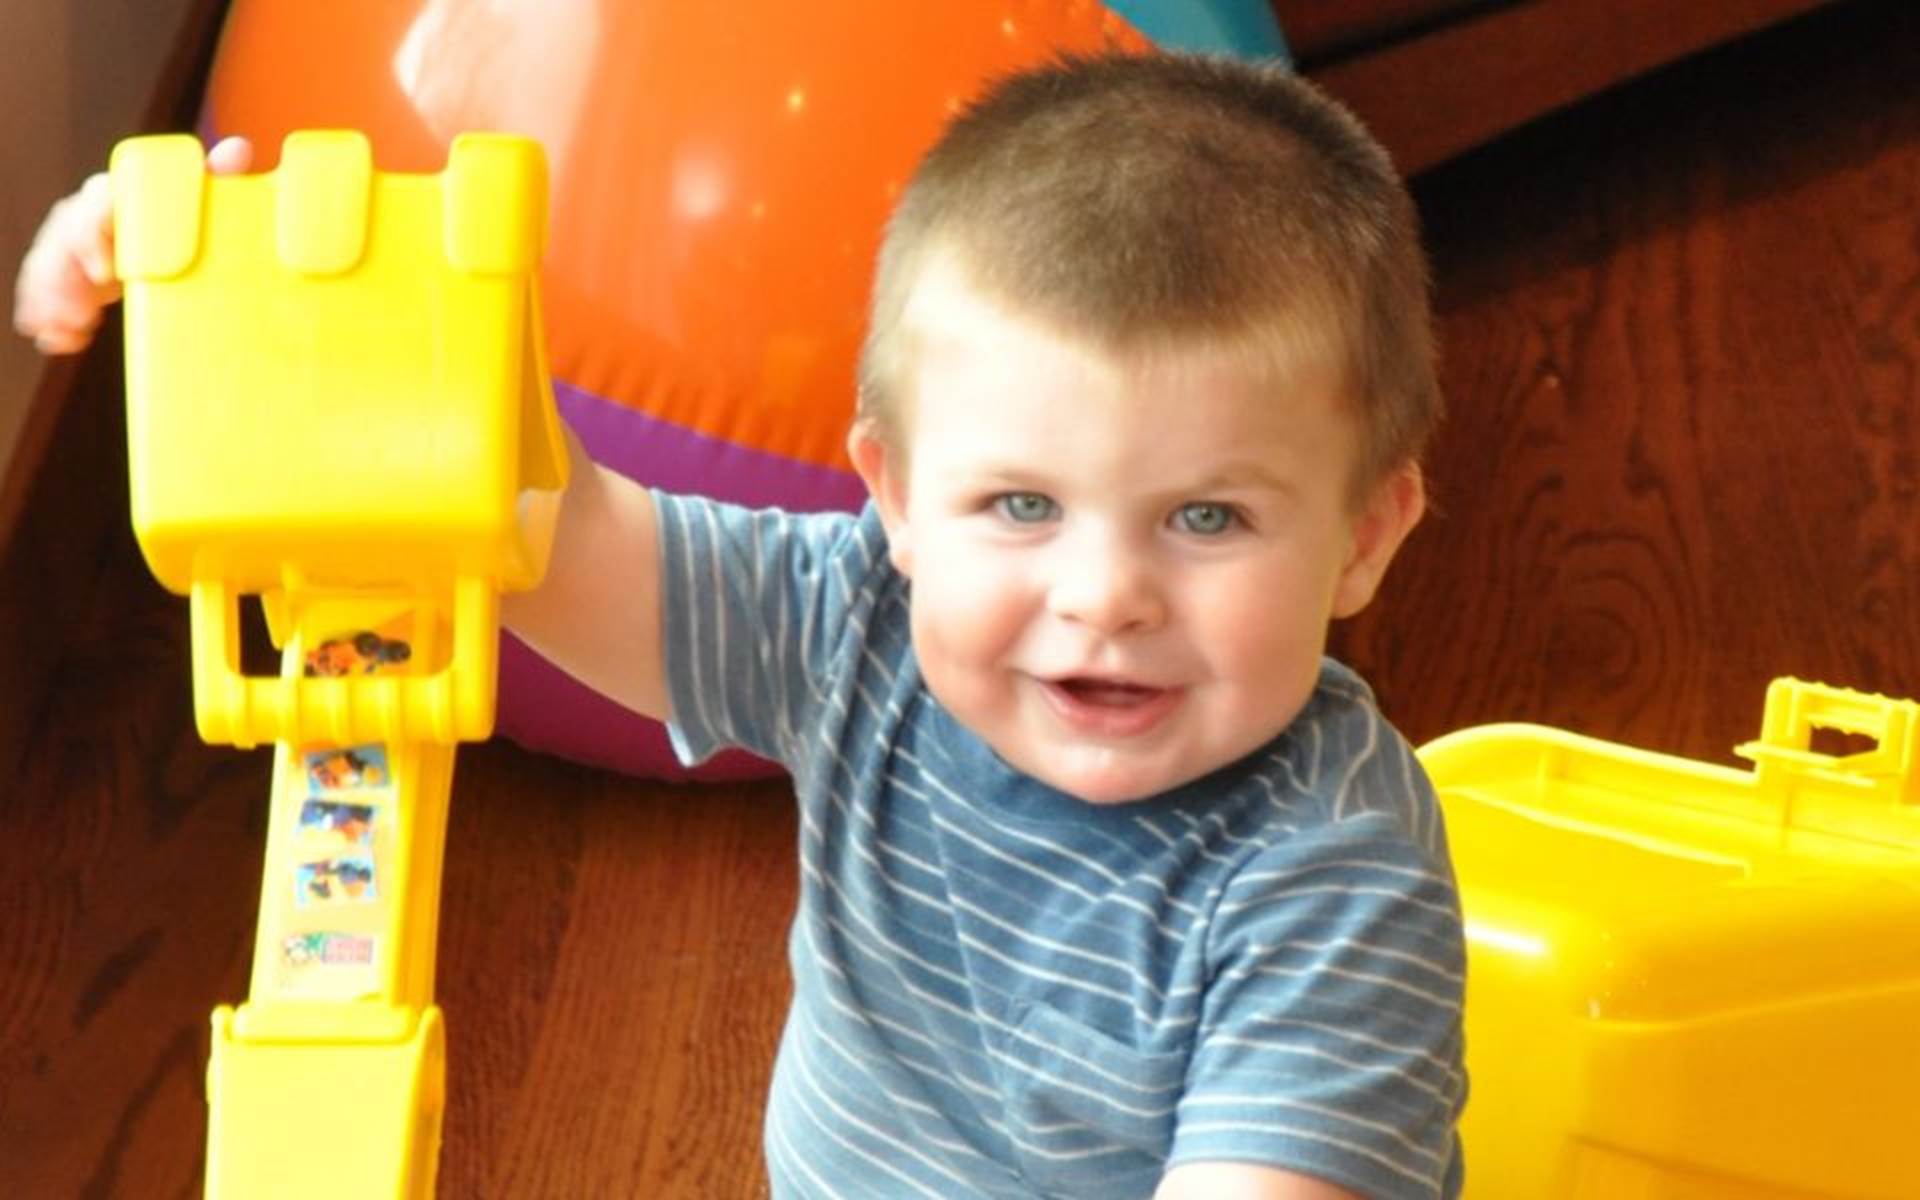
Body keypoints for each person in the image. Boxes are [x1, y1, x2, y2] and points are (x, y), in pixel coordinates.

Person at [15, 52, 1464, 1199]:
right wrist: (241, 305)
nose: (1104, 597)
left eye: (1207, 519)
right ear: (891, 497)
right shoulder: (858, 626)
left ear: (1367, 536)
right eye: (1021, 504)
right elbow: (529, 529)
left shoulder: (1329, 880)